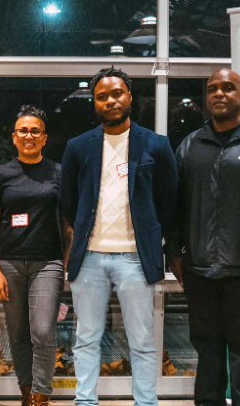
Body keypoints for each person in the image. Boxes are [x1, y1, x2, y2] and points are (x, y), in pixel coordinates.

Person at [59, 67, 177, 406]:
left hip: (136, 259)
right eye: (102, 96)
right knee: (86, 338)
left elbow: (168, 201)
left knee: (142, 340)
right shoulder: (78, 147)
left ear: (129, 97)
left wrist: (156, 239)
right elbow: (69, 201)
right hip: (90, 257)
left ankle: (146, 402)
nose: (110, 100)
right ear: (94, 103)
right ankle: (85, 402)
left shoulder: (155, 144)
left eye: (117, 94)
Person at [168, 69, 240, 406]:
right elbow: (177, 204)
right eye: (212, 89)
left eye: (228, 88)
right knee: (207, 347)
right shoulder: (191, 145)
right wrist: (174, 250)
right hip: (200, 268)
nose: (219, 94)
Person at [0, 105, 70, 406]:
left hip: (48, 262)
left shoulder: (59, 173)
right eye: (23, 130)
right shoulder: (2, 175)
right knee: (18, 332)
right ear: (14, 137)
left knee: (43, 331)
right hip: (9, 264)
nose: (29, 135)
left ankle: (41, 396)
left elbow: (67, 225)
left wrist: (65, 265)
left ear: (44, 138)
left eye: (35, 131)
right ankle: (26, 390)